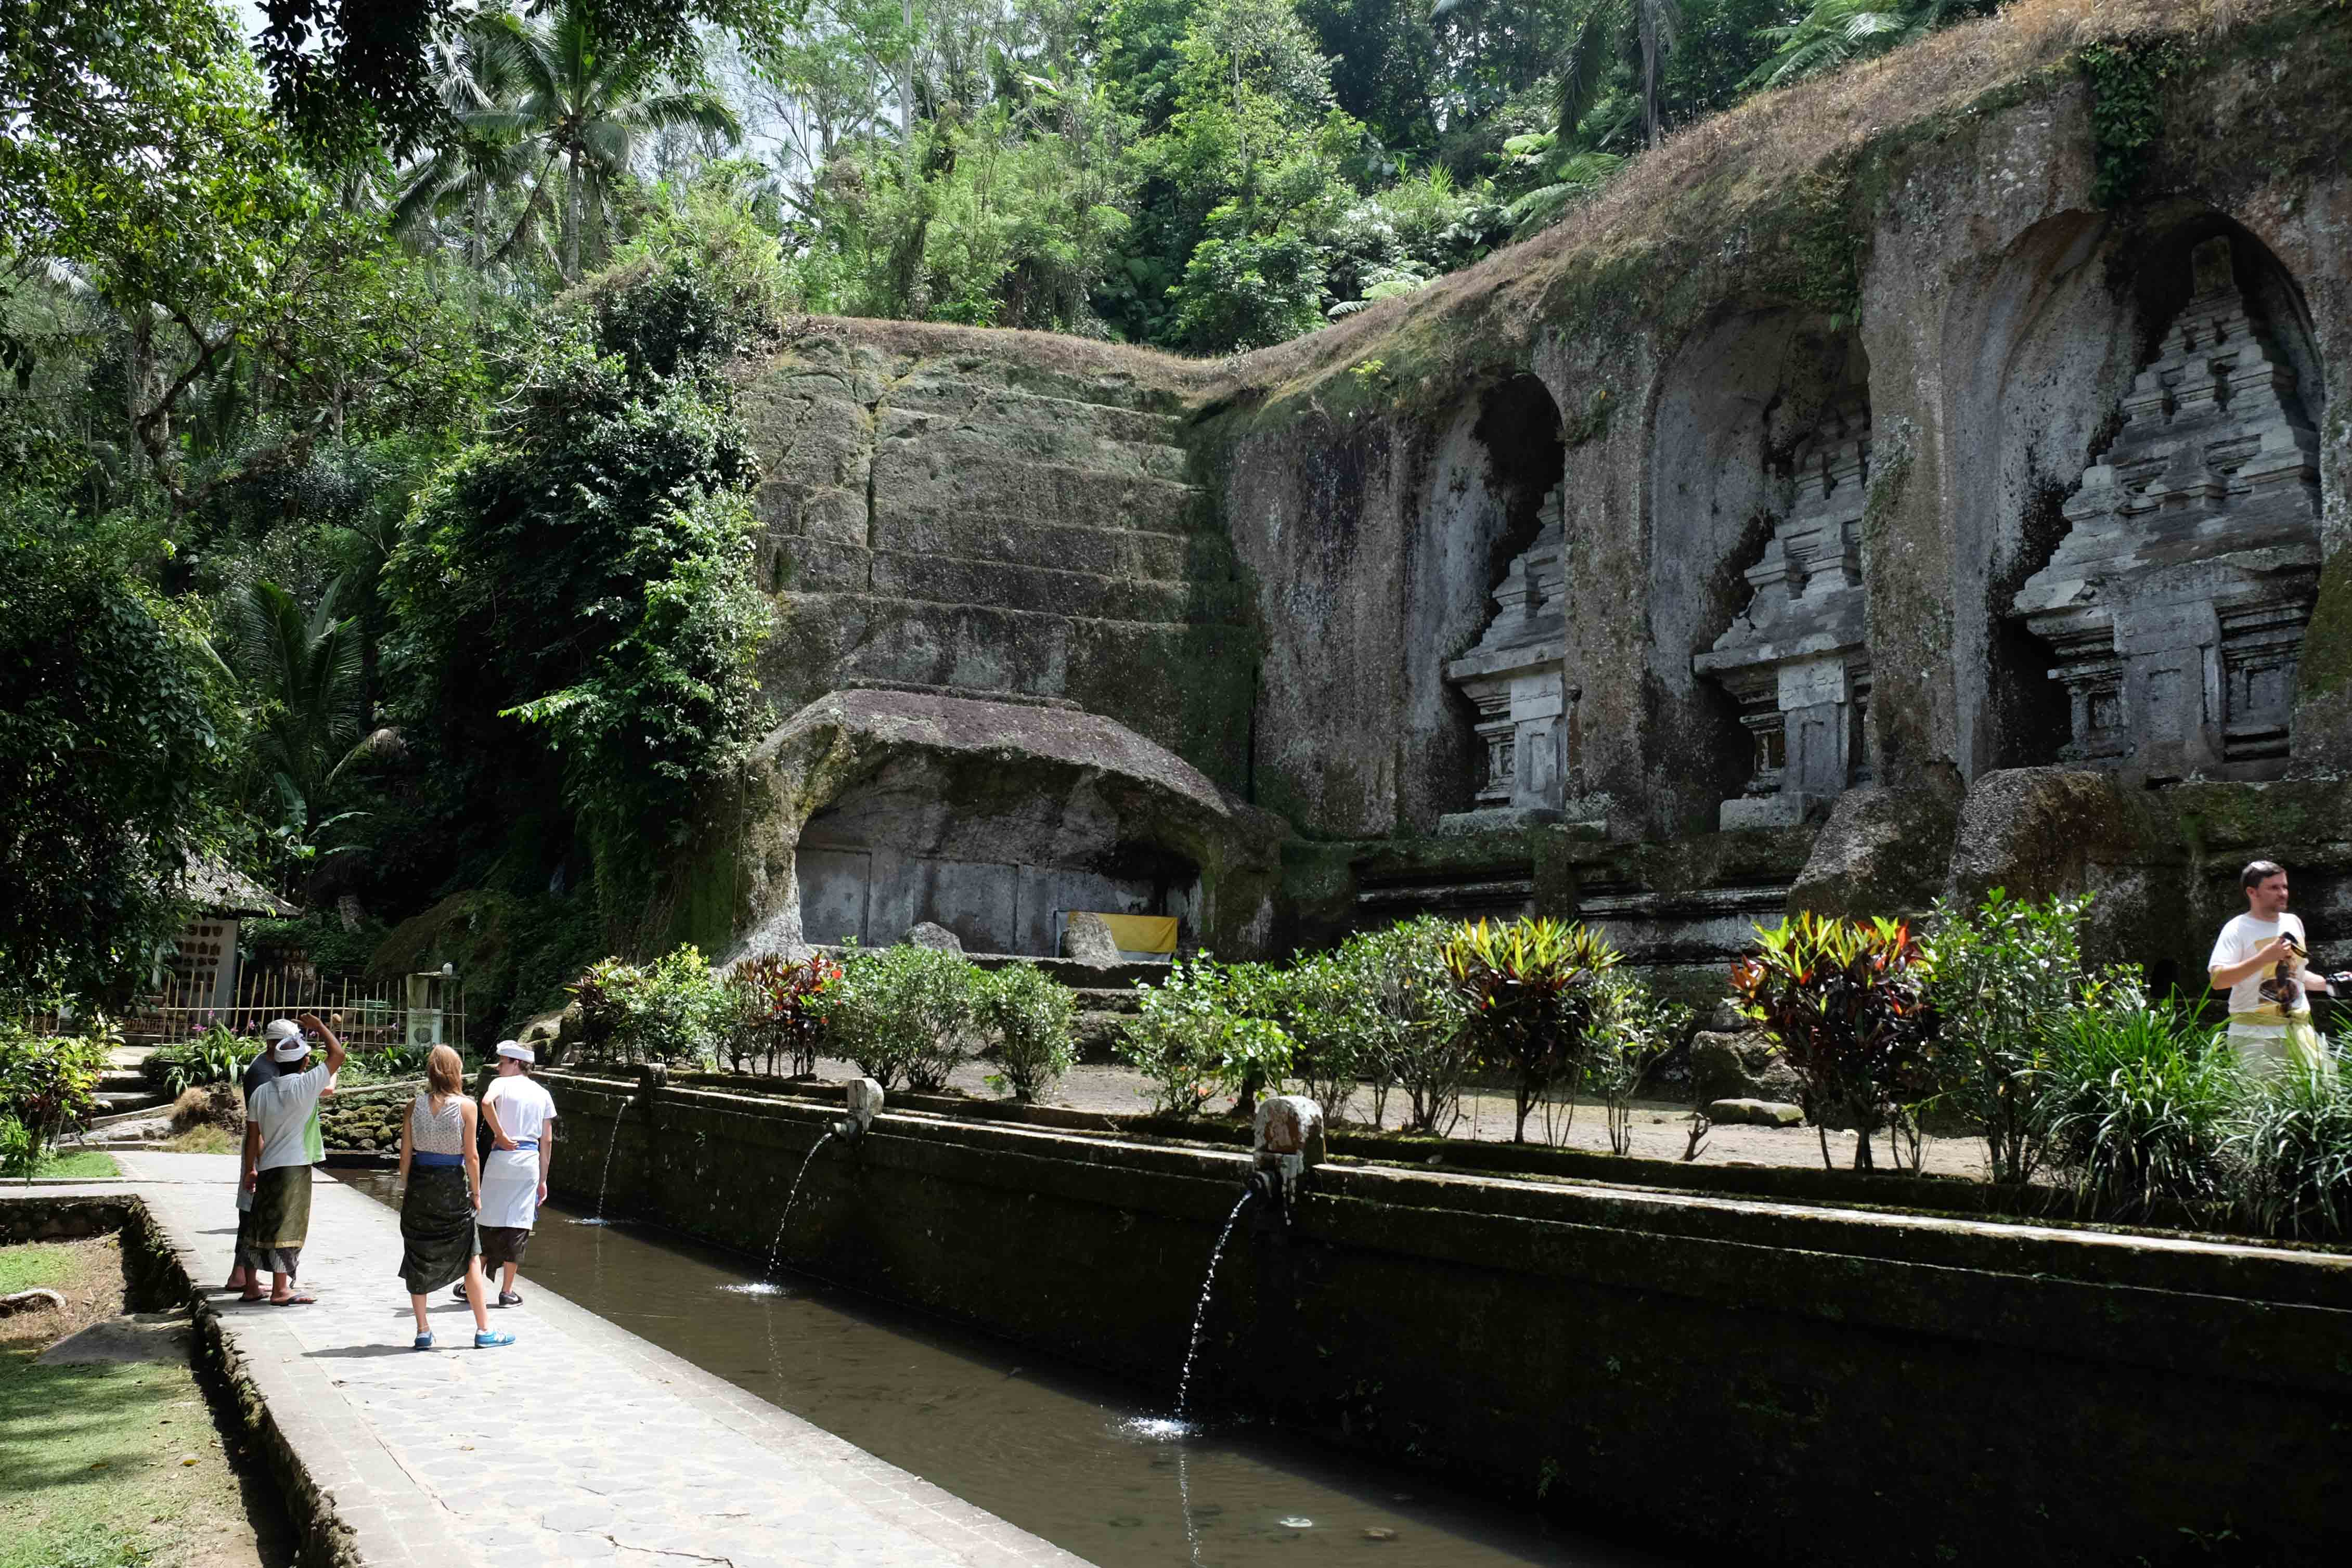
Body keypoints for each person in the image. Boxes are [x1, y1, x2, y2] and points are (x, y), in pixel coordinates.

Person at [396, 1044, 513, 1351]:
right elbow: (472, 1157)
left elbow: (405, 1154)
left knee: (417, 1254)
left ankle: (423, 1331)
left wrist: (407, 1188)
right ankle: (484, 1330)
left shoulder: (413, 1106)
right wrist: (477, 1194)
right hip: (452, 1188)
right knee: (470, 1256)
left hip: (421, 1187)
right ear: (456, 1072)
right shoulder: (467, 1106)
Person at [237, 1013, 346, 1305]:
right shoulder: (305, 1086)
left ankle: (251, 1288)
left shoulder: (261, 1092)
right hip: (294, 1165)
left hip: (267, 1164)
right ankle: (281, 1290)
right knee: (288, 1226)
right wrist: (321, 1027)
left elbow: (252, 1137)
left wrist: (250, 1170)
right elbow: (338, 1055)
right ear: (303, 1062)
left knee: (261, 1224)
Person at [2208, 860, 2345, 1077]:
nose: (2283, 893)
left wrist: (2330, 984)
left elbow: (2296, 975)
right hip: (2255, 1037)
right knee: (2259, 1108)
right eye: (2273, 888)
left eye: (2285, 887)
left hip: (2300, 1032)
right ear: (2252, 892)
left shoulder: (2293, 922)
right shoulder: (2236, 929)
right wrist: (2264, 958)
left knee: (2321, 1100)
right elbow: (2218, 981)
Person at [457, 1039, 557, 1310]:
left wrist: (500, 1134)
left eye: (502, 1062)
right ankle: (507, 1291)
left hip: (502, 1159)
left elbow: (486, 1103)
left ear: (516, 1064)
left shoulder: (501, 1084)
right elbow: (546, 1140)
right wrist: (544, 1179)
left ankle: (472, 1285)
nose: (499, 1067)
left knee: (488, 1220)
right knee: (519, 1223)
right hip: (528, 1161)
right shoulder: (542, 1093)